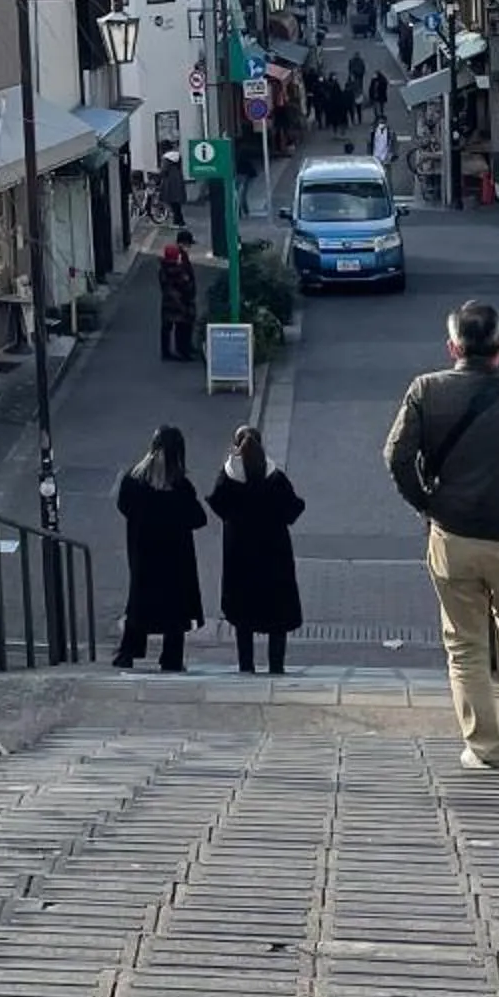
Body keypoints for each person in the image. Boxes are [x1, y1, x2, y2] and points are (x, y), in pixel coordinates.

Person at [383, 301, 499, 770]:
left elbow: (396, 456)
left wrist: (427, 502)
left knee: (465, 642)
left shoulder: (426, 390)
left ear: (453, 348)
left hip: (452, 533)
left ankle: (482, 747)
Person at [207, 424, 306, 675]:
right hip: (274, 554)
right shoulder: (274, 477)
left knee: (244, 614)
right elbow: (293, 510)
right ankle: (276, 666)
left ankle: (246, 666)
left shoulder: (228, 477)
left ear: (236, 447)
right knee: (277, 613)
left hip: (239, 554)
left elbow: (217, 504)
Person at [114, 425, 207, 671]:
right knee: (175, 607)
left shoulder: (133, 480)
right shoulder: (180, 486)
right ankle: (171, 658)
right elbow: (199, 519)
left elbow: (123, 506)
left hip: (142, 553)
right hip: (175, 557)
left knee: (139, 601)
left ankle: (128, 653)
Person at [157, 245, 199, 363]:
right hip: (180, 302)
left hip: (167, 302)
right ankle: (183, 351)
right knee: (182, 326)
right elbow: (186, 285)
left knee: (167, 327)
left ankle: (166, 351)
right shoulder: (179, 271)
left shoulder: (163, 270)